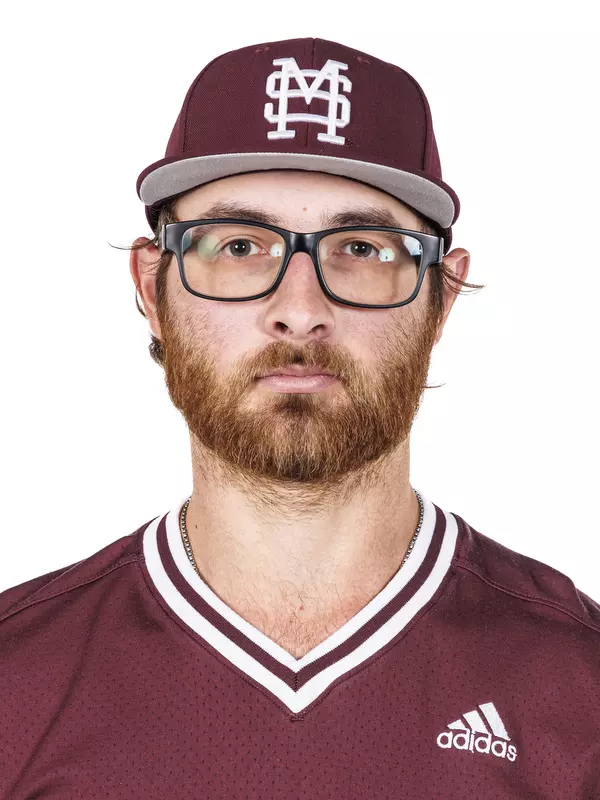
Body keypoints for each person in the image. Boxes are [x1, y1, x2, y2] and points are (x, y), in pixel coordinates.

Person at [1, 37, 598, 799]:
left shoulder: (580, 690)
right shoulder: (16, 685)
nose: (300, 310)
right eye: (241, 246)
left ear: (442, 297)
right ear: (152, 287)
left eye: (362, 249)